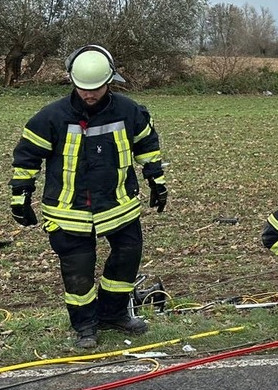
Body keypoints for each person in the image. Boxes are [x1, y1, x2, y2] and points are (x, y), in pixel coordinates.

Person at [9, 44, 168, 349]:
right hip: (69, 211)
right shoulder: (51, 117)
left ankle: (114, 314)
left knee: (126, 259)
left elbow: (147, 145)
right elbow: (27, 156)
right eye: (83, 88)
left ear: (111, 81)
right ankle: (85, 326)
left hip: (119, 206)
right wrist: (20, 196)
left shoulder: (129, 111)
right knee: (78, 274)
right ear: (73, 82)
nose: (89, 94)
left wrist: (157, 182)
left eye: (95, 88)